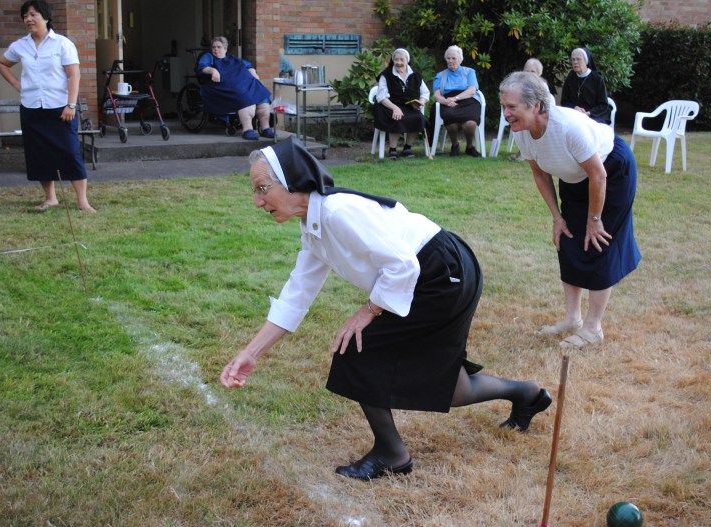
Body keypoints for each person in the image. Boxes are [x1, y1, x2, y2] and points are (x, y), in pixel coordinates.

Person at [220, 136, 553, 480]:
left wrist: (369, 311)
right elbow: (297, 294)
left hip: (440, 273)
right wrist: (252, 353)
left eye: (262, 188)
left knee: (357, 350)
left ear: (292, 181)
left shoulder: (338, 212)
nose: (258, 202)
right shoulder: (315, 225)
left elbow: (403, 265)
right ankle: (526, 393)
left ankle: (392, 453)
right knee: (447, 385)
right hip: (442, 270)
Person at [499, 71, 641, 348]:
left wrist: (595, 219)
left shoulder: (568, 127)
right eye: (504, 107)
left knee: (599, 242)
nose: (506, 113)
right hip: (574, 177)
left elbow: (598, 176)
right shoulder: (523, 132)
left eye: (512, 107)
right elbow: (540, 174)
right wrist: (557, 217)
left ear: (536, 105)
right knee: (568, 239)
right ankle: (572, 318)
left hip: (609, 172)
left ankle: (593, 328)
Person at [0, 0, 95, 212]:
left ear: (46, 17)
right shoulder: (20, 45)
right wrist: (16, 84)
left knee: (70, 152)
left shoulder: (62, 44)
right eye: (25, 16)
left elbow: (73, 75)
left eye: (33, 15)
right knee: (39, 154)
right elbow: (1, 63)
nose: (28, 19)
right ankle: (50, 198)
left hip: (60, 108)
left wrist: (71, 104)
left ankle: (82, 201)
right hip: (31, 107)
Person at [197, 36, 274, 140]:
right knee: (244, 96)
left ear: (225, 49)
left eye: (219, 47)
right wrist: (213, 71)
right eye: (214, 47)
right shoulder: (208, 56)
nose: (215, 49)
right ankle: (247, 130)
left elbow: (248, 65)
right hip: (220, 86)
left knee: (262, 97)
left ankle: (266, 129)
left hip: (241, 84)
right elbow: (202, 67)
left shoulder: (233, 58)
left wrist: (253, 73)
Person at [372, 48, 430, 160]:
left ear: (407, 60)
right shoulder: (386, 75)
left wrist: (420, 103)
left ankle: (407, 147)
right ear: (392, 60)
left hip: (409, 106)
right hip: (388, 105)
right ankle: (392, 149)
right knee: (397, 117)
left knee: (418, 118)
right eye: (396, 59)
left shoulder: (415, 74)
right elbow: (381, 97)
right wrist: (395, 108)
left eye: (401, 60)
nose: (398, 62)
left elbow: (425, 93)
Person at [429, 45, 483, 157]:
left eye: (453, 58)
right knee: (451, 122)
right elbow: (437, 95)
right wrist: (445, 101)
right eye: (448, 58)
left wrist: (455, 98)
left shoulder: (469, 72)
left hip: (468, 100)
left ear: (460, 59)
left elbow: (472, 90)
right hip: (448, 102)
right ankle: (455, 145)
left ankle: (469, 147)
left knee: (470, 123)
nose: (450, 61)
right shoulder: (440, 76)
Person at [509, 58, 552, 162]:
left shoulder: (542, 86)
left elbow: (544, 106)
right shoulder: (519, 86)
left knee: (526, 121)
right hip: (524, 113)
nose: (529, 74)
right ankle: (523, 152)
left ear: (539, 73)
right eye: (526, 71)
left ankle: (525, 154)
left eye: (532, 71)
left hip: (539, 115)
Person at [560, 47, 611, 125]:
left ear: (586, 61)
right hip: (574, 115)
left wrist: (588, 113)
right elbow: (564, 101)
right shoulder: (571, 77)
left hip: (593, 116)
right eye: (573, 59)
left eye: (578, 59)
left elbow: (603, 105)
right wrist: (574, 108)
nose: (575, 62)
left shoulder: (597, 78)